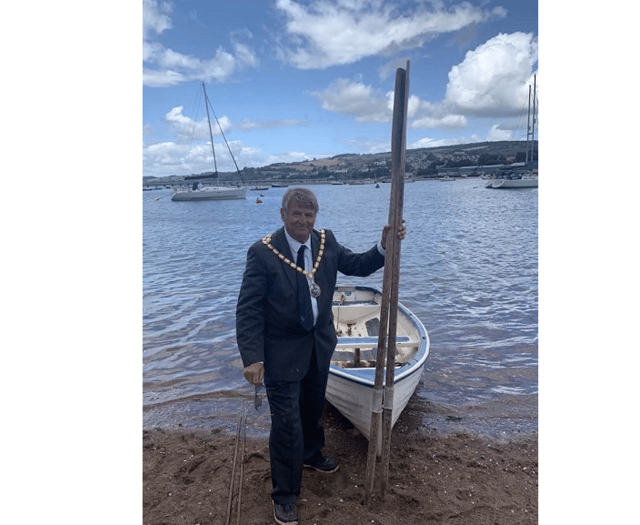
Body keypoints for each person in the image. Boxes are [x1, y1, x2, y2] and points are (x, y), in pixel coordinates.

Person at [236, 187, 405, 525]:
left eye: (308, 215)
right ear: (283, 215)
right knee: (286, 424)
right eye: (296, 214)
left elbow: (358, 265)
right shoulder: (263, 252)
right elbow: (248, 309)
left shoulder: (325, 242)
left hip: (319, 346)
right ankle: (285, 495)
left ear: (316, 217)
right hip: (280, 353)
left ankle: (312, 454)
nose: (303, 220)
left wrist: (385, 246)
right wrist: (252, 356)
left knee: (313, 408)